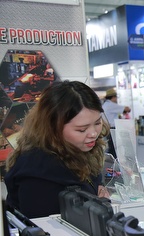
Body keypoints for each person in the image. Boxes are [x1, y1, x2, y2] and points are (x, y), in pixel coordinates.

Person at [4, 81, 110, 218]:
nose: (93, 133)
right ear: (53, 127)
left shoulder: (80, 148)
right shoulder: (37, 171)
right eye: (82, 129)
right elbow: (45, 227)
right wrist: (98, 206)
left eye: (97, 123)